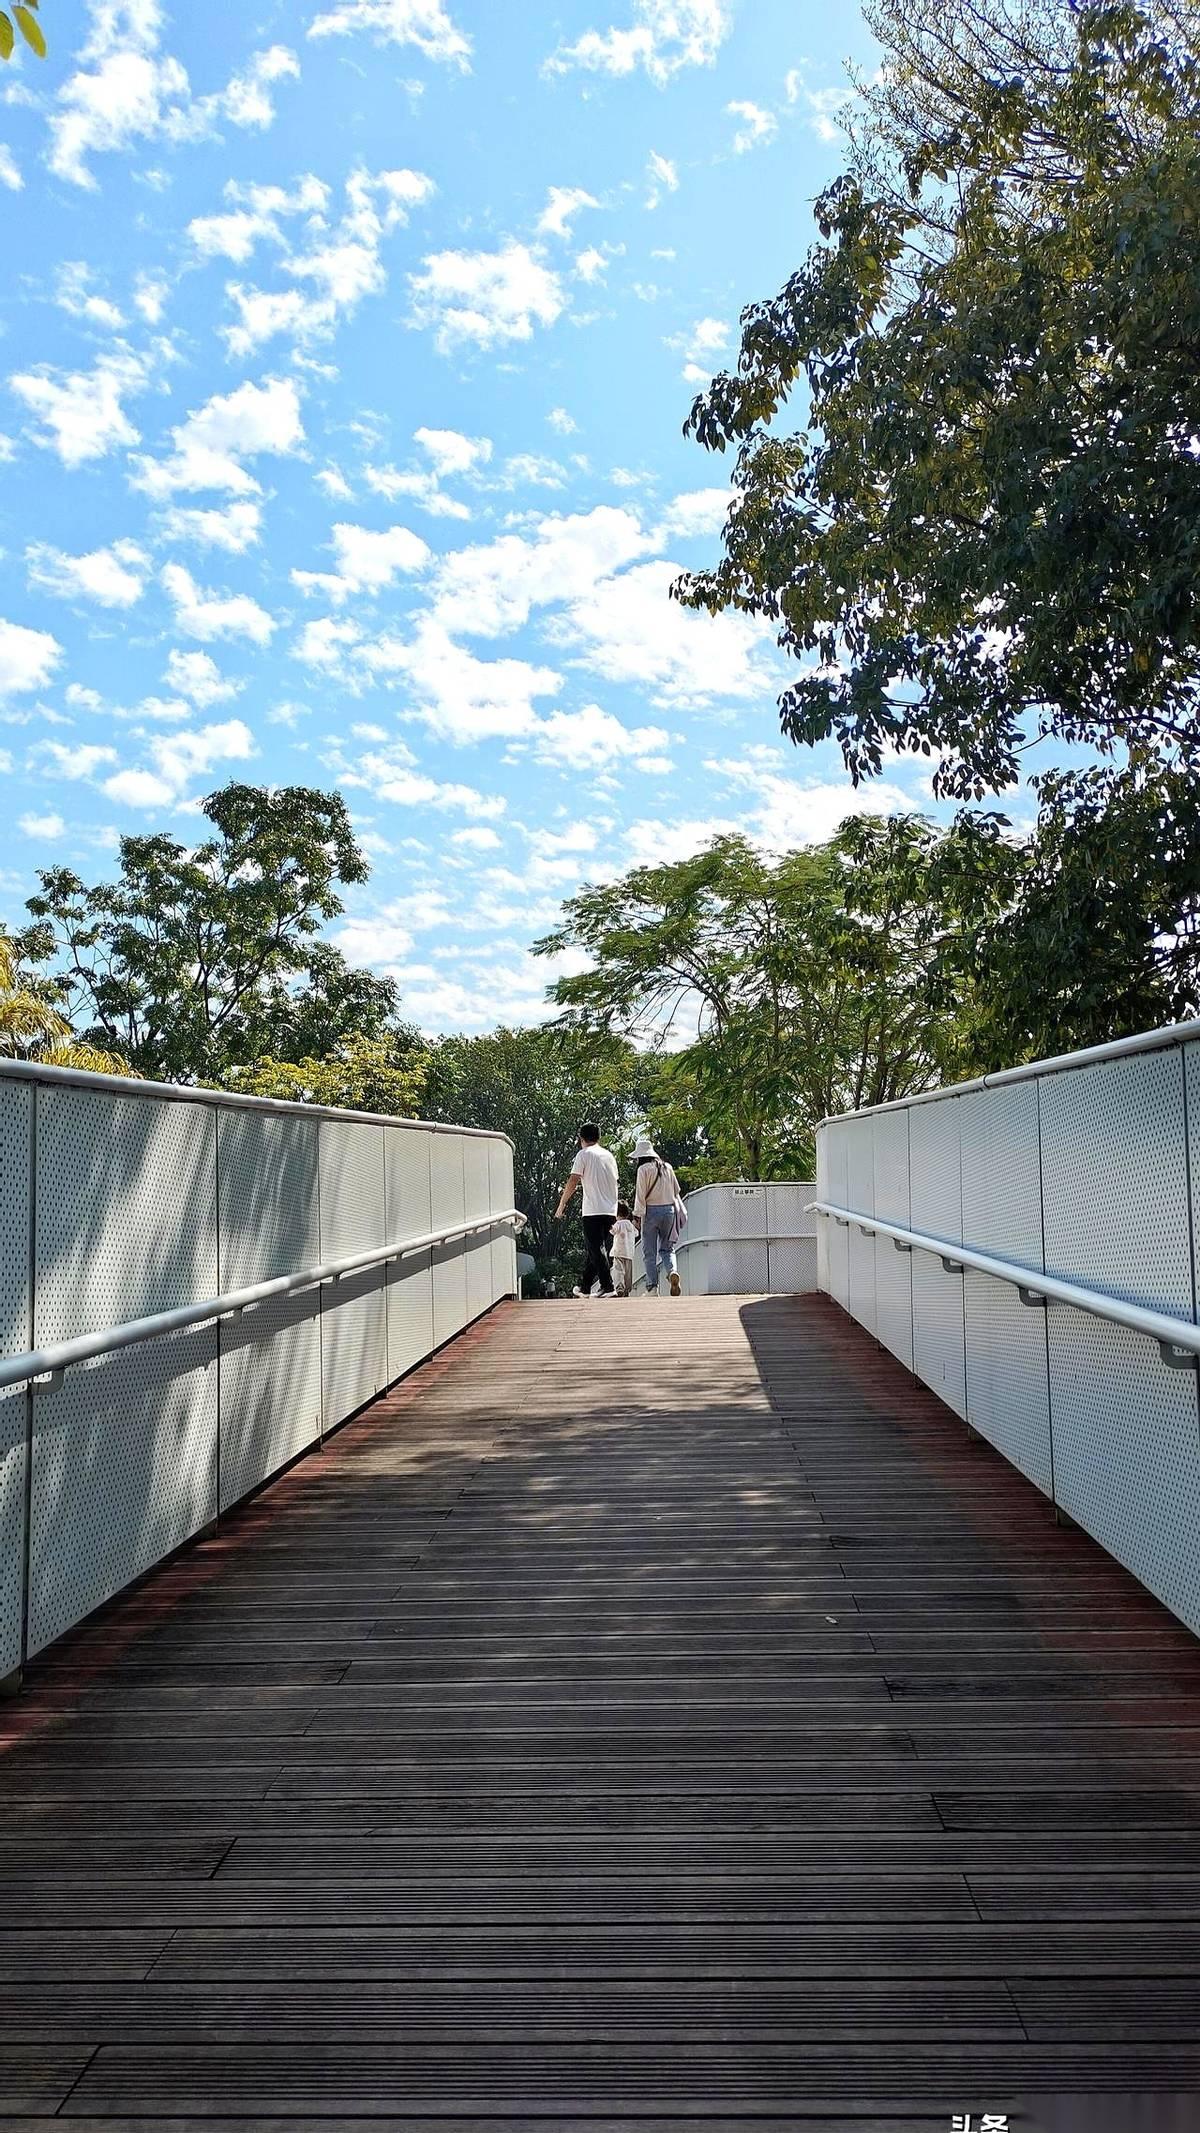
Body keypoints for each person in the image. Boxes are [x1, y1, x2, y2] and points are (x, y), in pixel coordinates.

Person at [554, 1121, 619, 1298]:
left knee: (596, 1248)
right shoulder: (609, 1155)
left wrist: (562, 1203)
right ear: (598, 1137)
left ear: (581, 1138)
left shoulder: (583, 1154)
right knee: (595, 1250)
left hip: (592, 1210)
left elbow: (573, 1180)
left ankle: (608, 1286)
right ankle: (585, 1288)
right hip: (610, 1209)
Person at [633, 1135, 683, 1296]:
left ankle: (652, 1288)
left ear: (640, 1156)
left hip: (651, 1212)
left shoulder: (643, 1170)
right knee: (668, 1248)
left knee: (649, 1252)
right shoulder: (667, 1167)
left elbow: (640, 1195)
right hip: (669, 1211)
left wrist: (637, 1216)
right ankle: (672, 1271)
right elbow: (676, 1190)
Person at [610, 1200, 638, 1297]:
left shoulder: (618, 1224)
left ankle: (619, 1287)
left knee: (618, 1270)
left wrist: (609, 1225)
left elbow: (613, 1231)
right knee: (628, 1272)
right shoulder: (630, 1225)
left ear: (616, 1214)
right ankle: (627, 1289)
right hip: (629, 1253)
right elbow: (636, 1233)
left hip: (618, 1251)